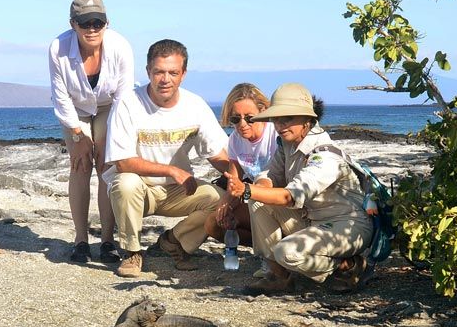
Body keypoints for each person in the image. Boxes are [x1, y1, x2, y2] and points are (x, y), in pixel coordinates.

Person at [226, 82, 375, 295]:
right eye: (276, 119)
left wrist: (247, 190)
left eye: (287, 118)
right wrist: (257, 188)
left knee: (287, 252)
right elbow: (270, 174)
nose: (280, 125)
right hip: (311, 218)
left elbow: (291, 196)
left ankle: (349, 267)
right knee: (259, 201)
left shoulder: (324, 156)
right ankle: (279, 276)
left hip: (347, 226)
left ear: (307, 120)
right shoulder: (288, 144)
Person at [103, 39, 232, 278]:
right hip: (140, 191)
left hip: (177, 191)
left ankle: (175, 242)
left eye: (173, 72)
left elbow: (216, 153)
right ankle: (131, 251)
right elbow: (122, 162)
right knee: (125, 182)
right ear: (148, 72)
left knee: (220, 200)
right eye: (159, 72)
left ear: (183, 74)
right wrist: (172, 170)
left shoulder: (196, 105)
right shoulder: (127, 103)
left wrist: (242, 181)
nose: (165, 79)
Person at [49, 0, 135, 264]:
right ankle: (81, 240)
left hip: (111, 107)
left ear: (107, 23)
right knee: (80, 164)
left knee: (107, 166)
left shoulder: (121, 46)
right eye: (85, 23)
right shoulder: (57, 48)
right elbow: (60, 96)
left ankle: (108, 240)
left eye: (98, 22)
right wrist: (78, 134)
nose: (92, 29)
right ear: (73, 23)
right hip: (75, 109)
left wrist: (114, 135)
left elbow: (124, 94)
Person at [204, 83, 277, 249]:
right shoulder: (236, 139)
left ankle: (273, 254)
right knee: (214, 223)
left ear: (263, 111)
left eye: (249, 118)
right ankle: (264, 249)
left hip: (277, 197)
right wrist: (226, 203)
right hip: (253, 196)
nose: (242, 124)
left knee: (257, 206)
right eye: (236, 119)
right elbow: (233, 177)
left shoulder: (275, 134)